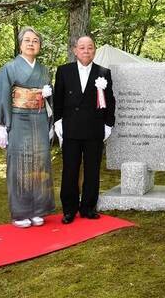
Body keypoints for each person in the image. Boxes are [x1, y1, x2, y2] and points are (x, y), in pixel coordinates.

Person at [0, 26, 55, 228]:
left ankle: (38, 209)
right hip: (18, 118)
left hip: (39, 118)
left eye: (35, 41)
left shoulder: (44, 70)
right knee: (19, 163)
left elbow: (50, 98)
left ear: (40, 46)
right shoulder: (10, 68)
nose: (31, 44)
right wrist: (0, 125)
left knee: (40, 161)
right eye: (27, 40)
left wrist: (47, 97)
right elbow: (0, 95)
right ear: (20, 45)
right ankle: (21, 212)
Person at [53, 36, 115, 224]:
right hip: (70, 128)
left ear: (94, 50)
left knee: (92, 170)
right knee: (70, 169)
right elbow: (58, 98)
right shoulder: (64, 71)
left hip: (94, 129)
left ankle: (88, 207)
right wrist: (58, 122)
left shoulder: (103, 72)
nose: (86, 51)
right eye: (82, 47)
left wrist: (108, 124)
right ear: (75, 50)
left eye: (90, 47)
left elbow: (110, 100)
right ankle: (69, 209)